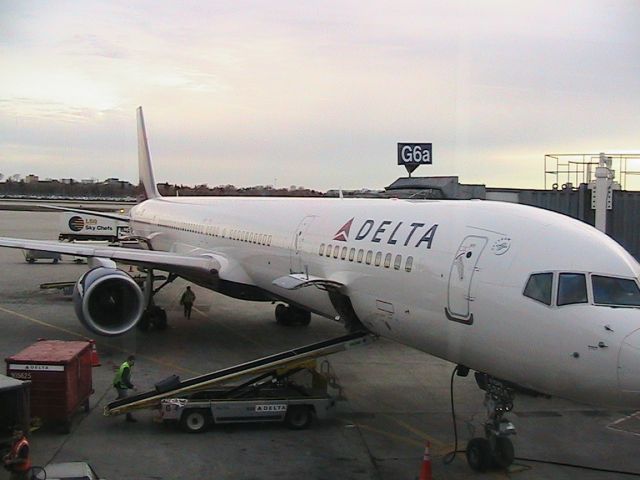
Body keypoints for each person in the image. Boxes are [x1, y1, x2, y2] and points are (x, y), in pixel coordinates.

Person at [113, 355, 137, 422]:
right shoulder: (126, 367)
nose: (134, 363)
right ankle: (128, 417)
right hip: (121, 386)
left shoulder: (125, 364)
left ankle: (113, 405)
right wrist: (132, 387)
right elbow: (124, 379)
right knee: (127, 401)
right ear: (129, 361)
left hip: (118, 385)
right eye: (133, 361)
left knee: (121, 398)